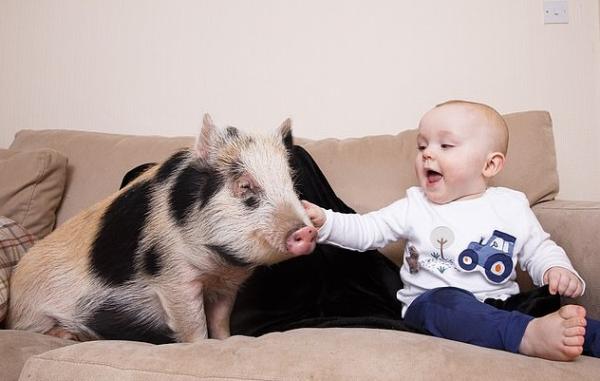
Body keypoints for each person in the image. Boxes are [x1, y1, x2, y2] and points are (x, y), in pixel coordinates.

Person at [302, 100, 599, 361]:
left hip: (503, 305)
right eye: (422, 146)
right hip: (432, 306)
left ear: (490, 164)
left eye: (445, 146)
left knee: (572, 320)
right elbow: (368, 229)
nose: (427, 154)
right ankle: (526, 337)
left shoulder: (511, 205)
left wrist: (556, 269)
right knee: (442, 303)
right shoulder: (415, 204)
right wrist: (326, 221)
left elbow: (538, 248)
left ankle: (564, 335)